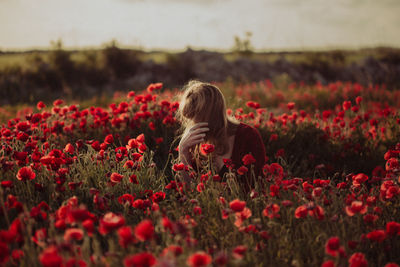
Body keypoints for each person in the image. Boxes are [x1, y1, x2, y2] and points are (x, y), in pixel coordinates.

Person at [176, 80, 266, 191]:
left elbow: (258, 186)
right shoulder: (194, 142)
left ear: (214, 114)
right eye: (190, 118)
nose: (193, 124)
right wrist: (183, 152)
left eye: (198, 116)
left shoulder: (248, 136)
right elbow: (188, 192)